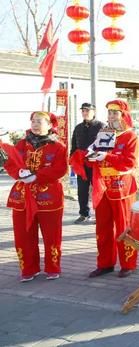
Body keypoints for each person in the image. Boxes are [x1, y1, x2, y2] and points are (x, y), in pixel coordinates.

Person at [5, 112, 67, 282]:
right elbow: (11, 163)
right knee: (23, 235)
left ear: (49, 125)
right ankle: (28, 269)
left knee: (51, 235)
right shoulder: (22, 144)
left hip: (48, 196)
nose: (35, 124)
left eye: (39, 121)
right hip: (22, 196)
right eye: (33, 121)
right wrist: (19, 172)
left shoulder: (58, 146)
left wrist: (37, 176)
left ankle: (52, 267)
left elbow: (60, 169)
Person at [87, 99, 139, 278]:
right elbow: (95, 153)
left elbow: (130, 162)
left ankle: (128, 263)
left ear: (124, 115)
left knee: (124, 225)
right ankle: (105, 263)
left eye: (115, 113)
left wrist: (107, 157)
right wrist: (90, 155)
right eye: (109, 113)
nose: (111, 117)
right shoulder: (104, 133)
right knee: (102, 227)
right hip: (102, 186)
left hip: (122, 186)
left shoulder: (130, 136)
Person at [70, 102, 106, 224]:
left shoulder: (101, 126)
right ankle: (83, 213)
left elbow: (106, 145)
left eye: (87, 111)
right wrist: (72, 159)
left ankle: (100, 213)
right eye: (83, 111)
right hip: (81, 163)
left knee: (98, 188)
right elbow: (74, 145)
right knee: (82, 189)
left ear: (93, 112)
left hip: (96, 163)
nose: (85, 113)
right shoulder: (78, 127)